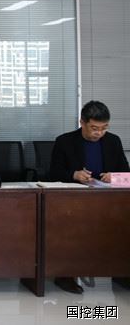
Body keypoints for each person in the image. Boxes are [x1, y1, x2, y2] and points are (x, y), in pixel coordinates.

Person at [48, 100, 130, 294]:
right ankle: (66, 275)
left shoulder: (113, 141)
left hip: (109, 201)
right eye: (94, 128)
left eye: (104, 128)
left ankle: (121, 273)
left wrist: (114, 177)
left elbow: (126, 173)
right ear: (82, 122)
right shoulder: (65, 141)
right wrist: (74, 175)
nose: (99, 133)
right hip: (75, 201)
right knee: (71, 229)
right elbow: (52, 174)